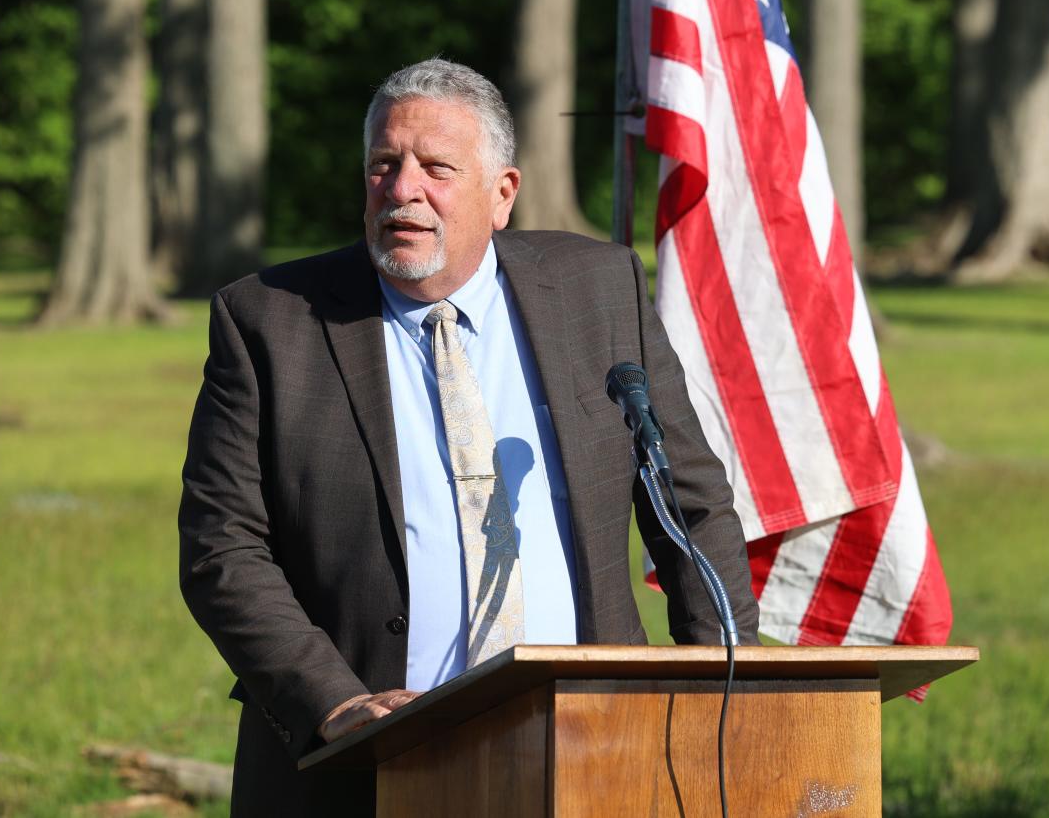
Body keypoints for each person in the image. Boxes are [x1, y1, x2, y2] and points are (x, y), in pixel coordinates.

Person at [179, 58, 759, 817]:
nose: (402, 189)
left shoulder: (599, 288)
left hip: (594, 749)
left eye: (435, 168)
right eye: (383, 165)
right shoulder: (270, 322)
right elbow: (222, 548)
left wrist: (732, 695)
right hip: (365, 763)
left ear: (502, 194)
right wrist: (336, 706)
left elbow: (691, 504)